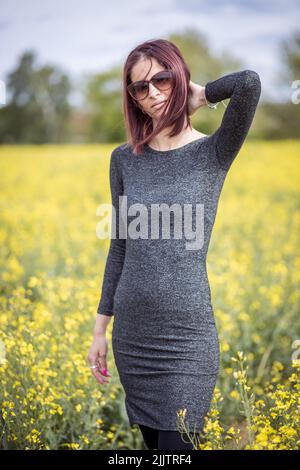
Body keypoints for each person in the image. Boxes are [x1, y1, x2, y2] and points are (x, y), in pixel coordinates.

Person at [87, 38, 261, 450]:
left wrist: (198, 96)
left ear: (179, 76)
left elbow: (249, 84)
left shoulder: (214, 152)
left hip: (187, 340)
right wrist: (100, 328)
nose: (153, 94)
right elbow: (120, 247)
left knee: (177, 449)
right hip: (133, 337)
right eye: (139, 88)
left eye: (162, 79)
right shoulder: (124, 159)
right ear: (131, 97)